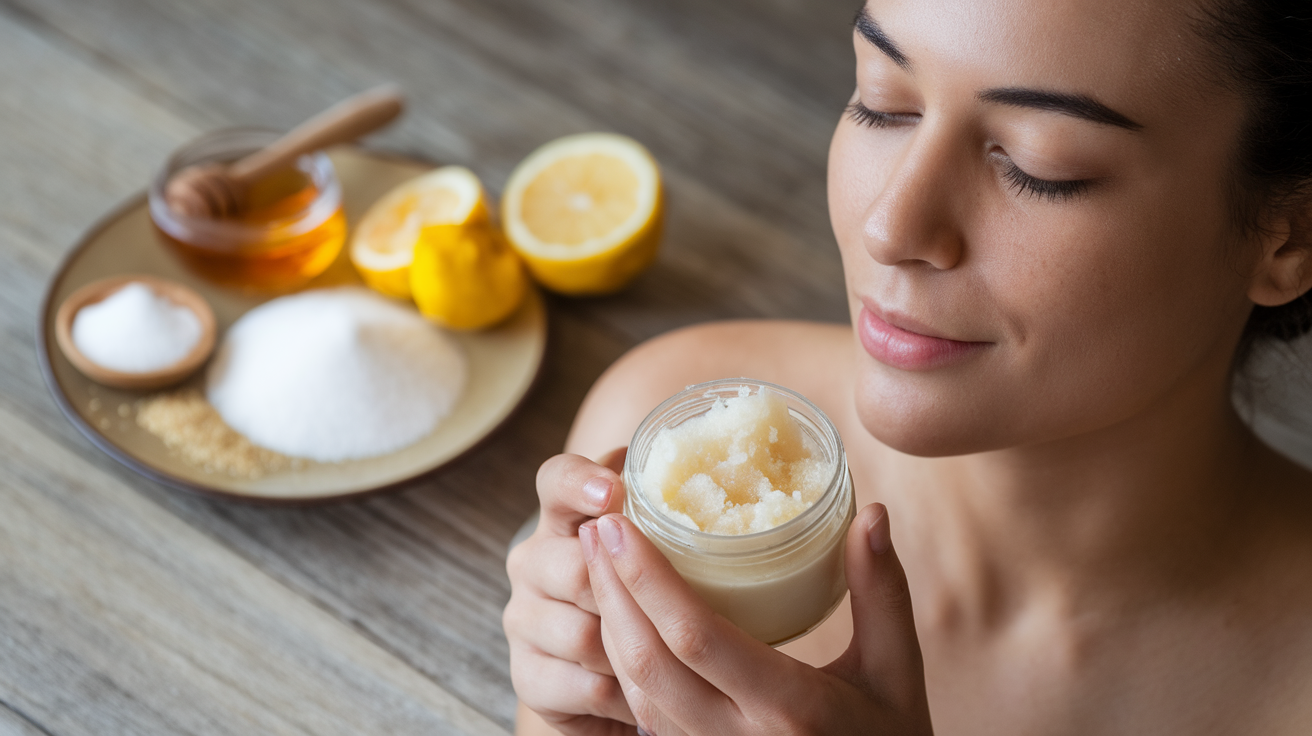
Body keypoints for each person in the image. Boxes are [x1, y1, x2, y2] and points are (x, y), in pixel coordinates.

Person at [503, 0, 1312, 732]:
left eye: (1040, 164)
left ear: (1291, 235)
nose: (892, 225)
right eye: (882, 102)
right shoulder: (663, 441)